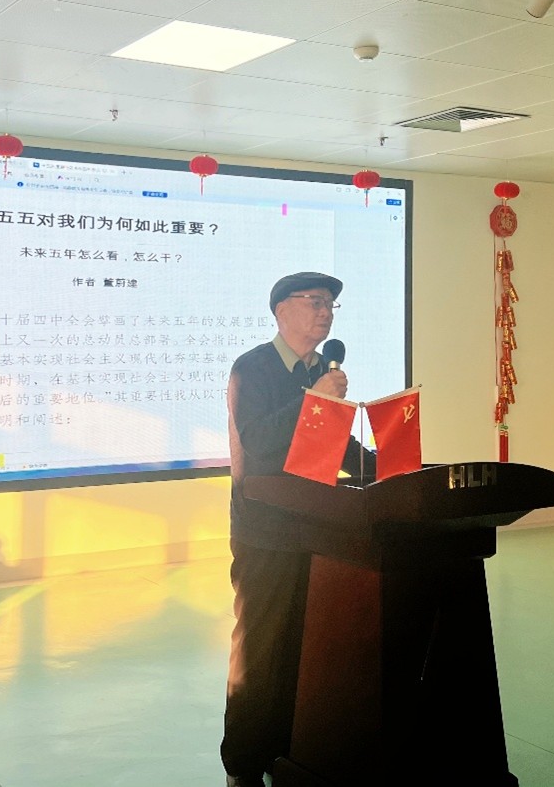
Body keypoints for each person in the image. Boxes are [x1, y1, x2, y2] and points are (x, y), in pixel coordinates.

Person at [221, 271, 376, 787]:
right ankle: (244, 762)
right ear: (281, 310)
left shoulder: (318, 371)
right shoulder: (253, 369)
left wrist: (386, 468)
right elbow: (260, 442)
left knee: (303, 647)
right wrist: (316, 399)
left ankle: (286, 749)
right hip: (264, 531)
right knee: (261, 648)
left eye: (330, 304)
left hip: (315, 527)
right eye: (315, 302)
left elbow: (331, 444)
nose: (325, 312)